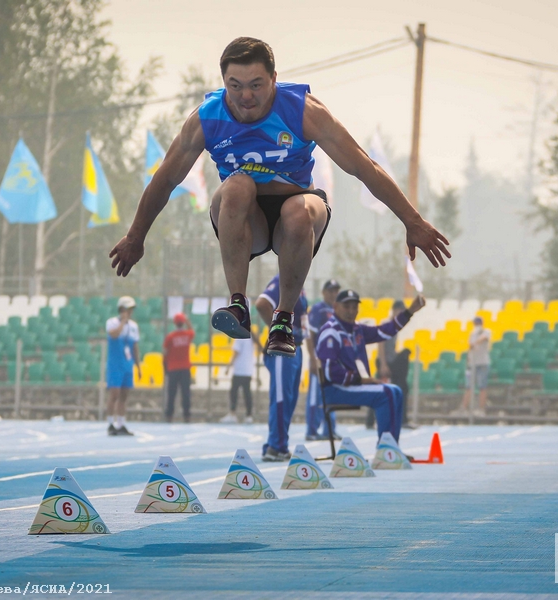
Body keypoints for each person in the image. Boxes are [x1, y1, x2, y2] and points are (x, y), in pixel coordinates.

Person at [109, 37, 451, 360]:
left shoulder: (303, 111)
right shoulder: (207, 118)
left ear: (274, 78)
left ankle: (283, 319)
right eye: (235, 85)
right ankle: (238, 304)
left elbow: (364, 166)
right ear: (223, 81)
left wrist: (413, 221)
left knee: (298, 211)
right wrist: (136, 236)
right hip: (245, 218)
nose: (245, 97)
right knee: (237, 185)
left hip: (297, 209)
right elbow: (166, 178)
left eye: (256, 85)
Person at [316, 289, 426, 448]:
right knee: (386, 393)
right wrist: (360, 379)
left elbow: (385, 331)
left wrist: (409, 312)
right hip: (335, 389)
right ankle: (385, 449)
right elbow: (329, 371)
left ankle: (391, 448)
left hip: (352, 385)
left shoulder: (356, 329)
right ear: (336, 306)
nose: (351, 311)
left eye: (354, 307)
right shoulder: (330, 332)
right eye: (347, 307)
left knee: (396, 391)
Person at [255, 274, 308, 460]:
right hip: (282, 350)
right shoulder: (282, 280)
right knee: (281, 398)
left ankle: (281, 445)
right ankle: (274, 447)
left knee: (289, 399)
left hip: (296, 349)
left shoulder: (299, 285)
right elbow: (261, 304)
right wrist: (278, 333)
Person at [369, 300, 414, 429]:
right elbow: (381, 344)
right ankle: (370, 420)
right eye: (400, 311)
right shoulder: (387, 324)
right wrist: (383, 364)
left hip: (391, 361)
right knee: (378, 390)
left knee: (402, 388)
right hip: (385, 363)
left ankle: (402, 420)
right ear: (394, 311)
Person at [305, 279, 341, 439]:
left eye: (336, 290)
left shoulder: (338, 310)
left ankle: (329, 430)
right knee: (315, 395)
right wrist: (313, 358)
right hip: (319, 358)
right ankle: (311, 430)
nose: (333, 294)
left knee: (331, 394)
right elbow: (310, 334)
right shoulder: (318, 310)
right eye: (331, 290)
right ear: (324, 292)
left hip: (333, 360)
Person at [105, 297, 141, 436]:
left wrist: (138, 366)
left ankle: (121, 424)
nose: (131, 312)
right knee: (114, 394)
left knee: (124, 395)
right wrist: (123, 322)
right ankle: (110, 423)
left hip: (127, 364)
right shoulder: (112, 322)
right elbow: (113, 335)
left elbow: (135, 347)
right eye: (128, 309)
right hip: (115, 364)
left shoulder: (134, 326)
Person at [456, 316, 492, 417]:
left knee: (482, 387)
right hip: (473, 364)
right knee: (469, 386)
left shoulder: (486, 331)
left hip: (483, 363)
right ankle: (463, 408)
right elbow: (470, 347)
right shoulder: (472, 334)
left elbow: (484, 338)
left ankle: (481, 409)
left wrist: (476, 342)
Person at [163, 312, 194, 423]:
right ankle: (187, 415)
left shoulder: (170, 337)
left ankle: (169, 415)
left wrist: (165, 368)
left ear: (175, 323)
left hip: (173, 368)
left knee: (171, 393)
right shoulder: (187, 335)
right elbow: (192, 331)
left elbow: (165, 353)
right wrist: (187, 321)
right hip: (185, 368)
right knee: (186, 393)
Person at [220, 337, 258, 424]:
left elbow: (236, 353)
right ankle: (249, 415)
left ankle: (232, 414)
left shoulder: (240, 337)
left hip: (239, 371)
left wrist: (228, 367)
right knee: (247, 393)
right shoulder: (251, 337)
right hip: (248, 370)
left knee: (234, 392)